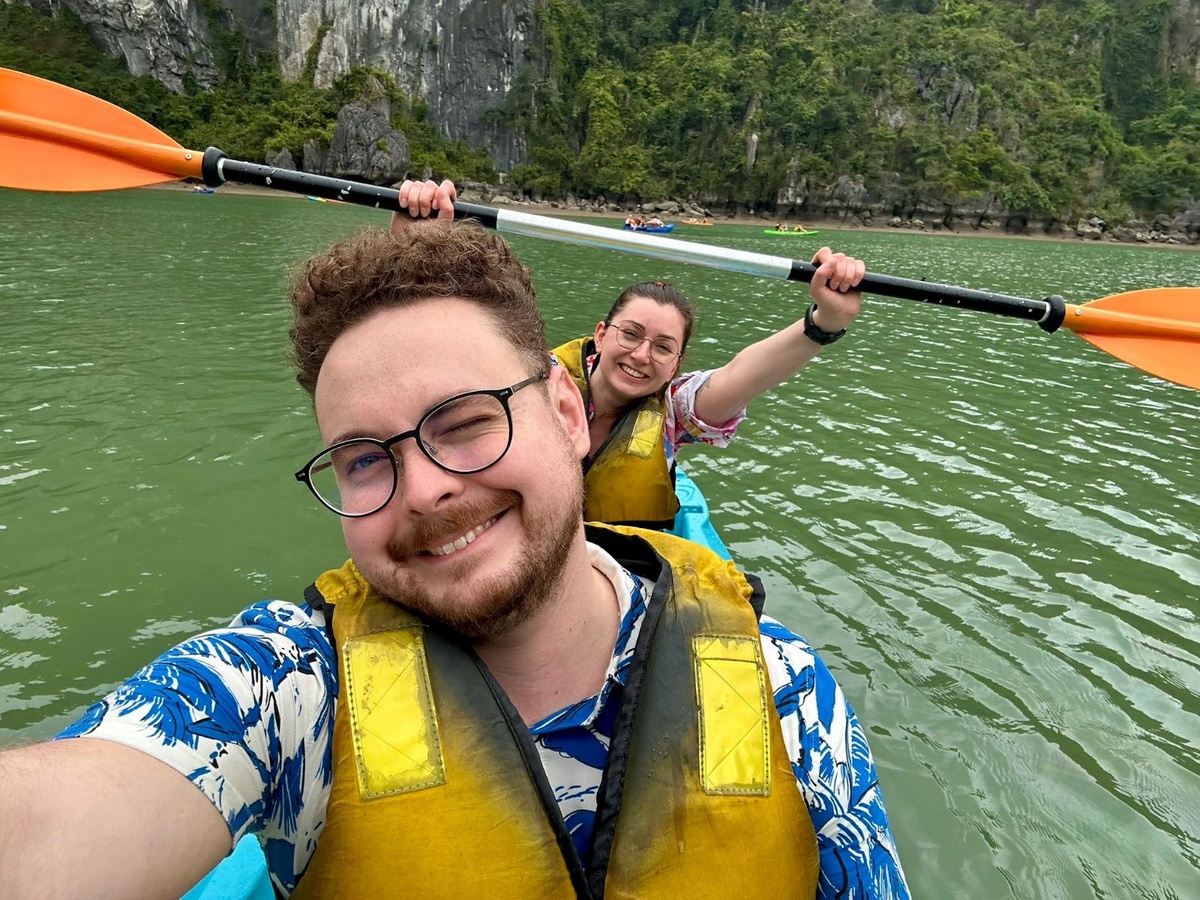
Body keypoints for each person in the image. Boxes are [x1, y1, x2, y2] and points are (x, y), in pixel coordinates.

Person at [2, 206, 908, 898]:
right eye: (364, 459)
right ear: (594, 343)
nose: (424, 490)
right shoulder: (284, 689)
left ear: (561, 412)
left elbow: (739, 378)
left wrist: (820, 326)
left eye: (466, 422)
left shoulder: (785, 689)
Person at [394, 180, 864, 529]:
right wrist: (418, 247)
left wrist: (824, 322)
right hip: (525, 544)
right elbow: (448, 345)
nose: (641, 355)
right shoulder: (535, 376)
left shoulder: (677, 410)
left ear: (676, 364)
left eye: (663, 347)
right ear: (601, 335)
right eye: (631, 334)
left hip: (619, 565)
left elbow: (744, 374)